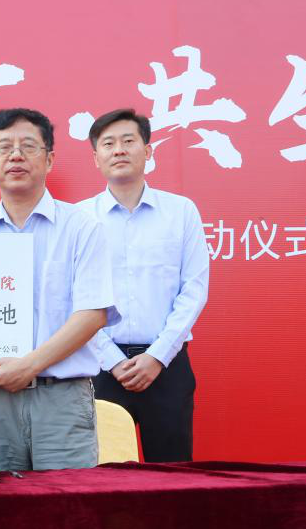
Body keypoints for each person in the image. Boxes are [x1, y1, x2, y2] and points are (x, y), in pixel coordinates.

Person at [0, 108, 117, 471]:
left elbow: (92, 314)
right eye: (4, 148)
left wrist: (28, 366)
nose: (16, 155)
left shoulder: (82, 228)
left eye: (28, 146)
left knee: (68, 502)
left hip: (60, 399)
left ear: (49, 160)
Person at [76, 109, 209, 462]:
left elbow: (194, 290)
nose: (119, 150)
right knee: (99, 478)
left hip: (167, 365)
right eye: (108, 144)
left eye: (128, 141)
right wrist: (111, 359)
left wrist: (157, 356)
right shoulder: (78, 219)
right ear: (96, 157)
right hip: (100, 369)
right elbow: (72, 297)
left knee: (172, 477)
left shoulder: (181, 211)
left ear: (148, 151)